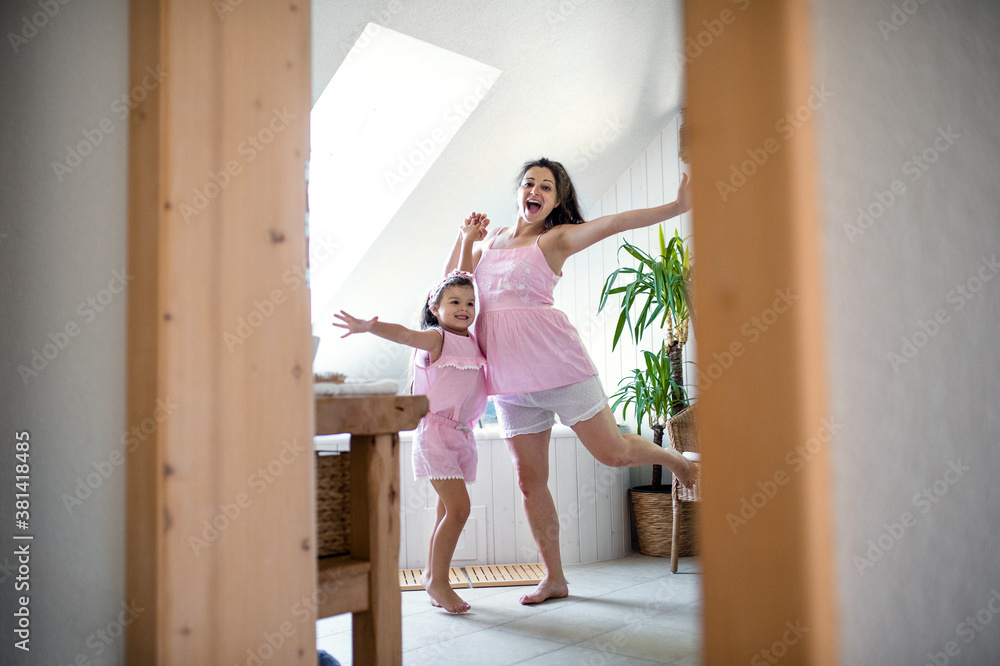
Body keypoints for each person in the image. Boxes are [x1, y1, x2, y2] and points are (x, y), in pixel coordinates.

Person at [447, 157, 697, 605]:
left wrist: (676, 206)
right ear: (519, 192)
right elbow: (450, 288)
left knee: (615, 453)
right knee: (530, 481)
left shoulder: (555, 239)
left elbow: (615, 222)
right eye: (529, 183)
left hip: (558, 365)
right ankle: (555, 577)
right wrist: (465, 239)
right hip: (507, 380)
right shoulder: (490, 243)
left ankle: (676, 462)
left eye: (546, 186)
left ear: (556, 200)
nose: (536, 190)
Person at [333, 266, 486, 614]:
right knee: (460, 510)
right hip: (436, 434)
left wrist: (468, 240)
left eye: (470, 302)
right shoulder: (437, 338)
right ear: (436, 307)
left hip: (462, 434)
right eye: (455, 302)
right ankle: (438, 582)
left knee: (447, 510)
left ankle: (432, 575)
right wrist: (368, 326)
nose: (464, 308)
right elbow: (403, 334)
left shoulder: (471, 340)